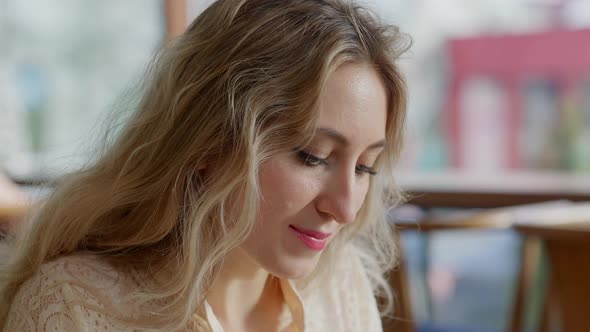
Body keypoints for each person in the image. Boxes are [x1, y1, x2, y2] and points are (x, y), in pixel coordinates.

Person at [0, 0, 409, 330]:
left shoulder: (340, 283)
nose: (346, 209)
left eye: (365, 168)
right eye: (313, 156)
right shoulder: (73, 309)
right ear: (209, 143)